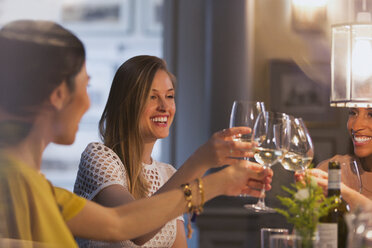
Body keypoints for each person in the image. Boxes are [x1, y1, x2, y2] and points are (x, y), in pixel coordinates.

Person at [0, 19, 273, 247]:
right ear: (59, 95)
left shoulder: (38, 189)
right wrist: (215, 177)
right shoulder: (17, 183)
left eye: (170, 96)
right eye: (86, 85)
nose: (88, 101)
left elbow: (119, 225)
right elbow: (125, 225)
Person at [73, 55, 269, 247]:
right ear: (126, 103)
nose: (165, 107)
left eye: (169, 96)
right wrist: (201, 161)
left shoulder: (168, 174)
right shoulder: (98, 157)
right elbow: (134, 229)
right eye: (152, 97)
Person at [297, 108, 372, 210]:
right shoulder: (334, 170)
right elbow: (305, 224)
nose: (355, 126)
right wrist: (307, 199)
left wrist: (347, 194)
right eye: (353, 113)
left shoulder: (337, 183)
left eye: (371, 114)